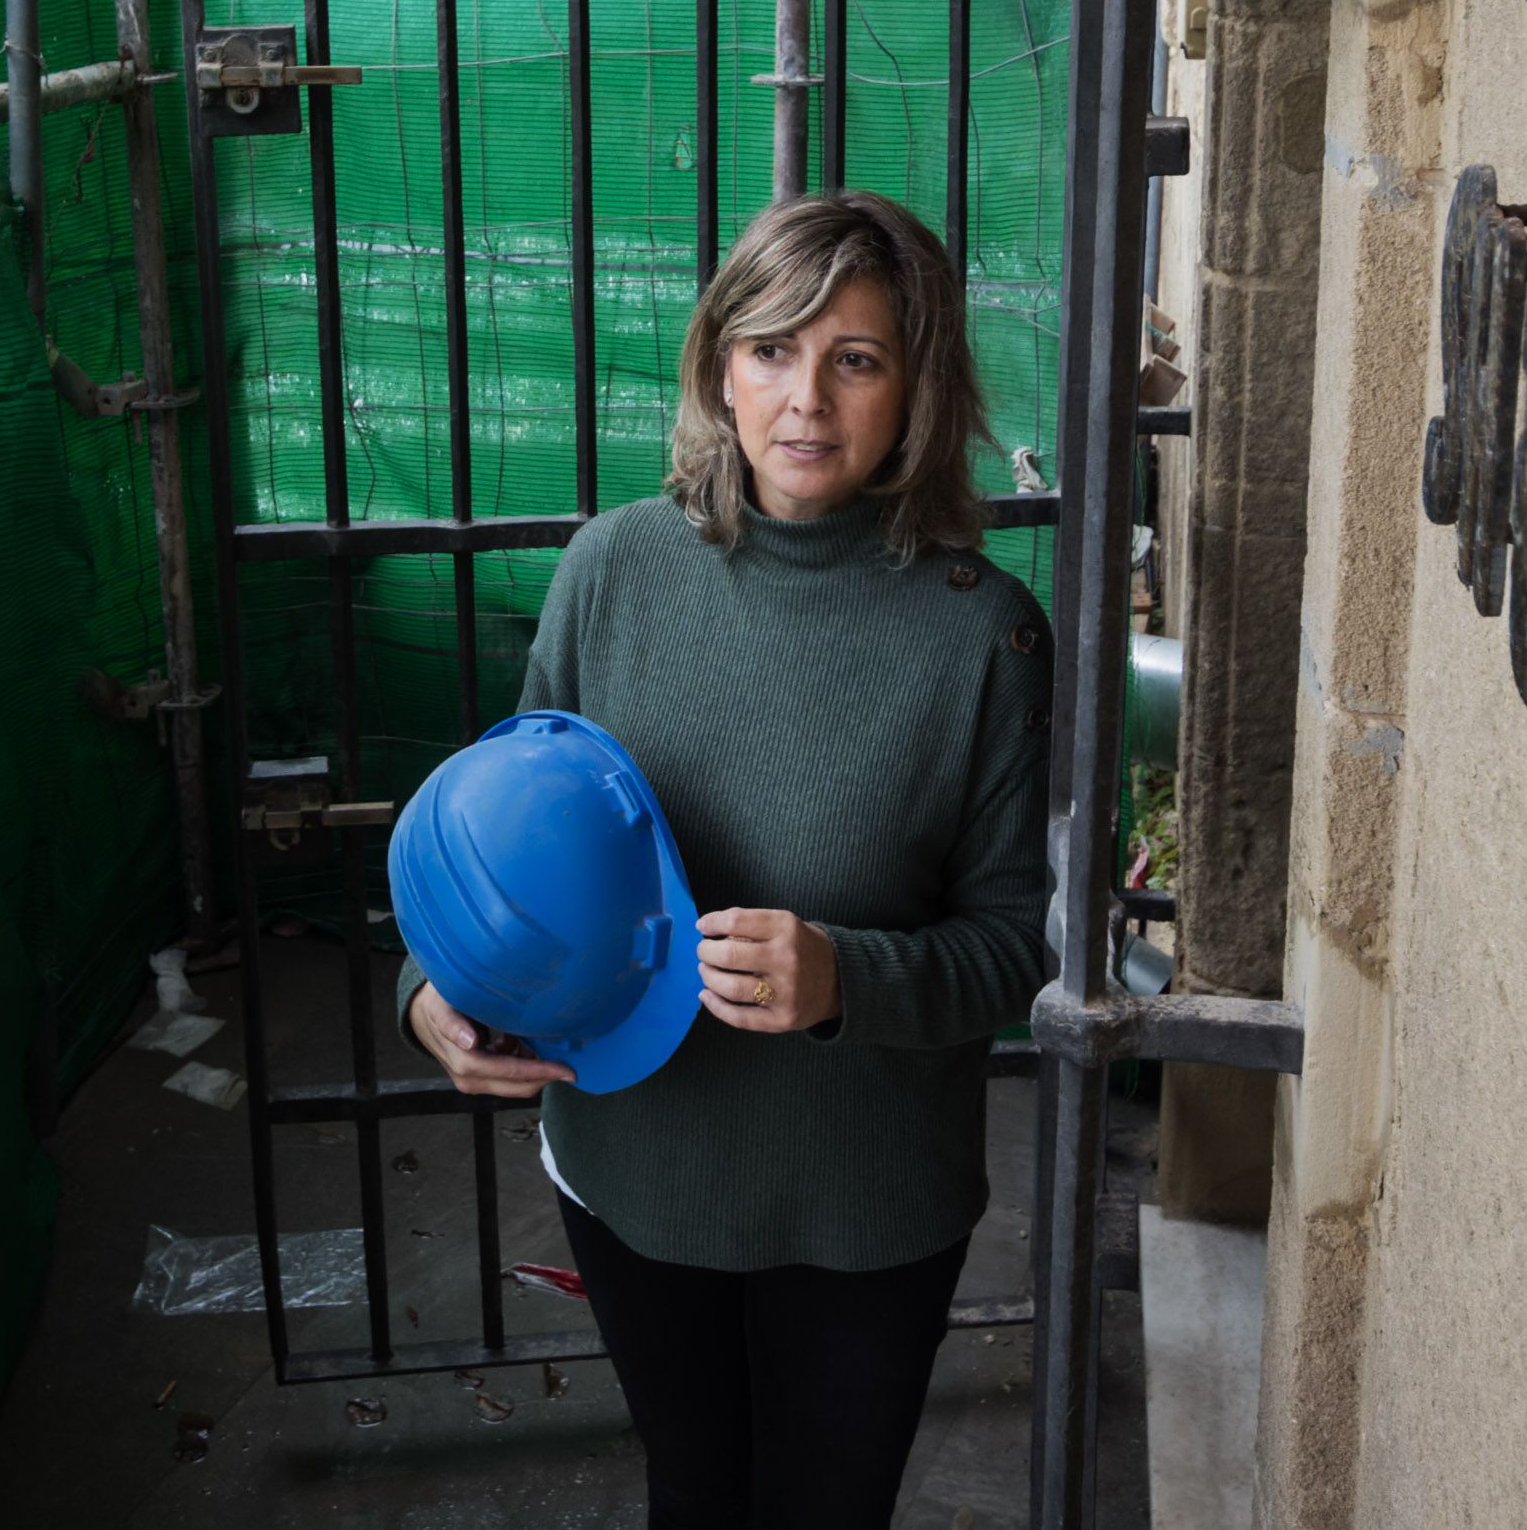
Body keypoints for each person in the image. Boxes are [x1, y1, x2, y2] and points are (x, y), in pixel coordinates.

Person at [397, 189, 1054, 1530]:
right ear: (717, 367)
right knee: (695, 1495)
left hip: (868, 1201)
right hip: (635, 1167)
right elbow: (495, 833)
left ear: (915, 385)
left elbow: (1017, 949)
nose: (805, 399)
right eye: (770, 350)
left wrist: (845, 981)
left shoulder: (985, 634)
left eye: (855, 358)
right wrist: (429, 987)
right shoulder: (612, 571)